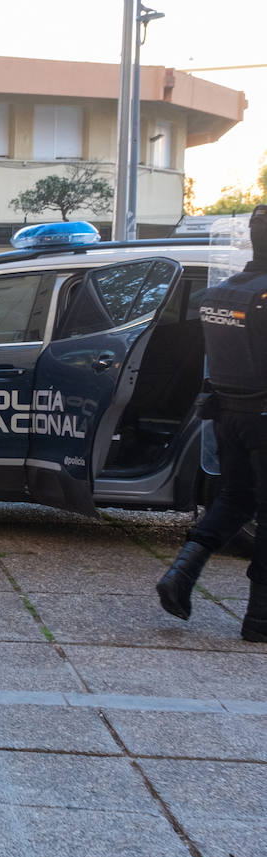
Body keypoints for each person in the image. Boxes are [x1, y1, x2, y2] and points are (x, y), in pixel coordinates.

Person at [157, 203, 267, 644]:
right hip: (261, 417)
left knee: (236, 497)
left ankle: (180, 574)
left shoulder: (222, 292)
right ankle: (259, 619)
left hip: (228, 416)